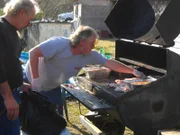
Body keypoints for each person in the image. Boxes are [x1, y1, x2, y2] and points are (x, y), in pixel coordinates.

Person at [25, 25, 146, 115]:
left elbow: (109, 63)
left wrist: (132, 71)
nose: (94, 46)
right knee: (33, 121)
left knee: (56, 120)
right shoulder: (59, 44)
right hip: (30, 83)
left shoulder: (89, 54)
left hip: (52, 88)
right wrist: (35, 80)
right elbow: (33, 53)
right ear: (82, 42)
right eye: (92, 43)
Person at [0, 0, 40, 135]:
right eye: (29, 20)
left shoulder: (12, 30)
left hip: (12, 91)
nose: (29, 24)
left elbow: (10, 62)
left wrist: (20, 84)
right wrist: (8, 96)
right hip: (4, 96)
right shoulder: (1, 29)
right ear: (22, 12)